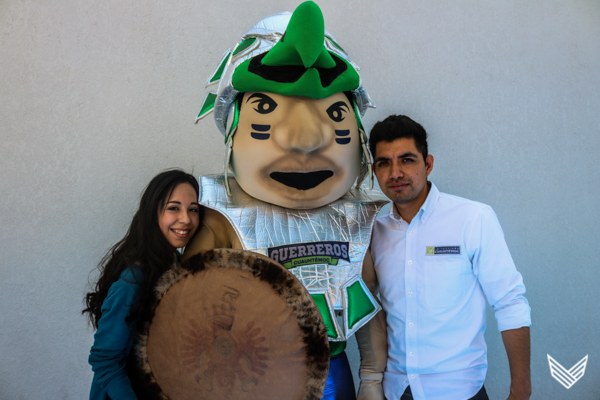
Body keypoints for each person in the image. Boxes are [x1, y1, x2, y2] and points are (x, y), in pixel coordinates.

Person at [356, 115, 532, 400]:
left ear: (428, 164)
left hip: (459, 391)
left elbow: (510, 302)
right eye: (384, 163)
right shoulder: (372, 230)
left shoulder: (473, 218)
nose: (395, 173)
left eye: (407, 160)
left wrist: (521, 390)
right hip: (398, 391)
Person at [83, 169, 203, 400]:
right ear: (152, 213)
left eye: (193, 210)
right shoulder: (133, 282)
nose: (186, 219)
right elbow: (105, 361)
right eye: (173, 208)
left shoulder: (174, 266)